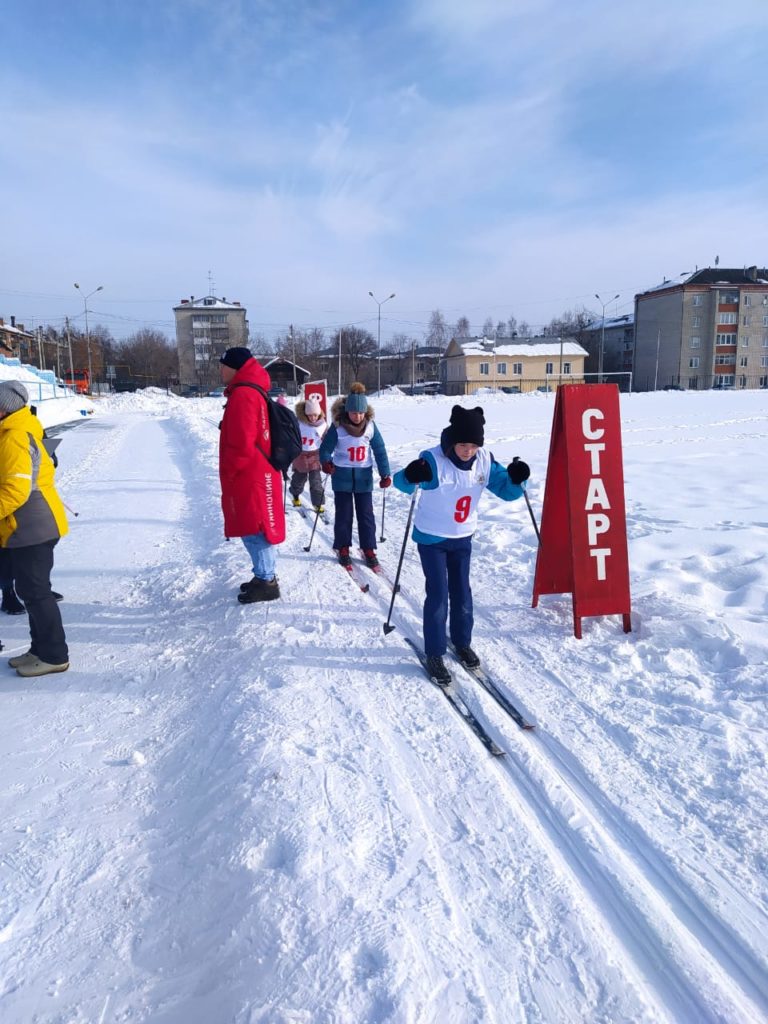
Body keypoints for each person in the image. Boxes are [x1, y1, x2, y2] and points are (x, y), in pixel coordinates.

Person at [393, 404, 530, 685]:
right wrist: (410, 475)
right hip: (432, 538)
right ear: (453, 441)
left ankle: (461, 641)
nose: (468, 450)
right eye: (463, 444)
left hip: (462, 537)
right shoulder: (432, 460)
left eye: (473, 445)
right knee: (439, 594)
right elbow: (403, 484)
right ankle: (434, 652)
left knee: (462, 593)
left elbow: (507, 491)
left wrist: (517, 479)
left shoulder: (483, 460)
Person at [0, 380, 69, 677]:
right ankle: (39, 649)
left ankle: (54, 655)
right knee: (30, 590)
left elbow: (16, 489)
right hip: (31, 524)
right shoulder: (18, 429)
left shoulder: (14, 436)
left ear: (4, 408)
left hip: (32, 526)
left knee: (36, 592)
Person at [218, 347, 286, 604]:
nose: (220, 369)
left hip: (249, 472)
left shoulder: (244, 394)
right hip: (256, 469)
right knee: (253, 525)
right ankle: (262, 574)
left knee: (256, 528)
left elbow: (241, 442)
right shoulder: (248, 390)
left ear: (235, 367)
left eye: (223, 365)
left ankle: (267, 580)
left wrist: (231, 471)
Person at [319, 382, 390, 568]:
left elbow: (380, 451)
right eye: (353, 413)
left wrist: (385, 474)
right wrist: (326, 462)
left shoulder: (371, 428)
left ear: (365, 413)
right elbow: (325, 449)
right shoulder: (338, 428)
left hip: (363, 478)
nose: (357, 416)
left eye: (360, 413)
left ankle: (368, 548)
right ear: (346, 412)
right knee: (344, 514)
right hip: (341, 477)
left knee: (366, 515)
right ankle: (343, 546)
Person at [289, 396, 328, 513]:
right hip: (300, 455)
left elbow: (327, 439)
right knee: (299, 480)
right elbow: (291, 435)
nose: (313, 418)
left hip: (314, 455)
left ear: (319, 414)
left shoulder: (323, 425)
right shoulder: (299, 423)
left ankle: (318, 503)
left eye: (315, 415)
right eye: (310, 415)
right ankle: (295, 495)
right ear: (306, 415)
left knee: (316, 481)